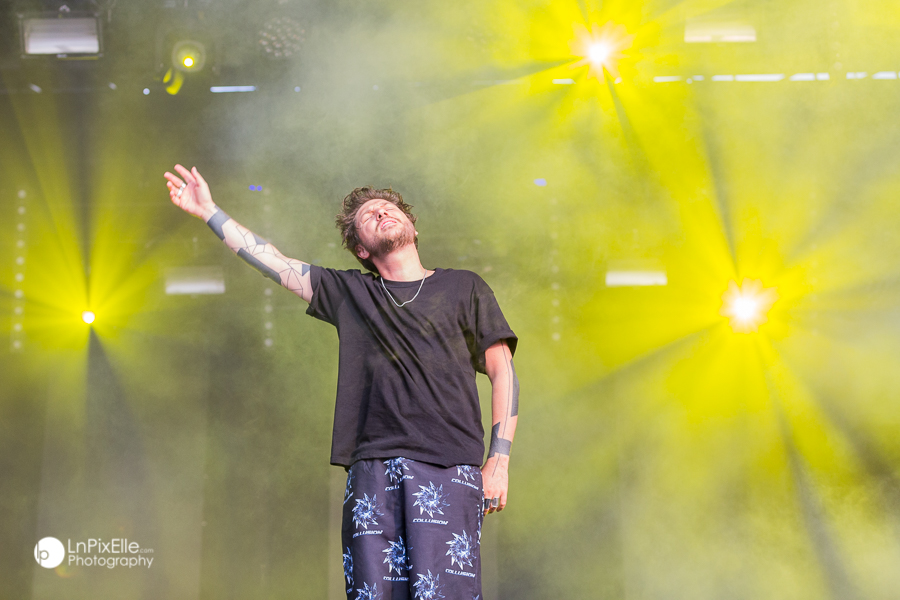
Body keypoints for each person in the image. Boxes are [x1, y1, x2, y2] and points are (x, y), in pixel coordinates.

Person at [164, 164, 519, 600]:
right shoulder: (351, 292)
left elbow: (503, 371)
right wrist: (209, 211)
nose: (381, 212)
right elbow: (273, 261)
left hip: (447, 469)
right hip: (372, 472)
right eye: (369, 215)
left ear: (412, 227)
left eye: (389, 208)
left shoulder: (464, 287)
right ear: (360, 249)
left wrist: (498, 461)